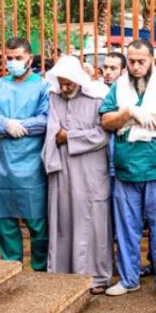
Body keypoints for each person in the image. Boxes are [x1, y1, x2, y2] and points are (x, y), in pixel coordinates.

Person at [100, 39, 156, 301]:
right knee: (126, 228)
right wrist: (129, 112)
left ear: (152, 60)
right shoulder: (119, 86)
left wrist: (148, 118)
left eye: (141, 61)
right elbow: (106, 121)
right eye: (132, 61)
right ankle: (128, 279)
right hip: (126, 169)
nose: (136, 67)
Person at [42, 55, 113, 289]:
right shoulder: (54, 97)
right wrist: (60, 137)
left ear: (78, 80)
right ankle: (63, 275)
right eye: (61, 82)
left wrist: (69, 136)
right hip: (61, 169)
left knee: (92, 222)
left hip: (91, 171)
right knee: (62, 220)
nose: (65, 87)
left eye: (69, 83)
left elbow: (102, 134)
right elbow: (52, 128)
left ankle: (96, 277)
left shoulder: (98, 98)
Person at [0, 37, 50, 270]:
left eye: (18, 58)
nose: (13, 62)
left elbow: (46, 119)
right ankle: (12, 270)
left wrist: (20, 127)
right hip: (0, 165)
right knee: (5, 223)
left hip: (31, 166)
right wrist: (4, 124)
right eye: (9, 58)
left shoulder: (43, 87)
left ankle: (40, 270)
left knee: (38, 224)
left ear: (30, 59)